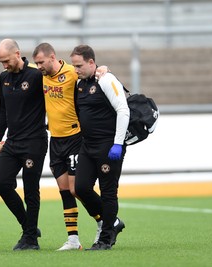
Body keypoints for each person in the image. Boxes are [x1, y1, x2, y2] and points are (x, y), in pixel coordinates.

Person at [32, 43, 110, 251]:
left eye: (41, 62)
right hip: (55, 140)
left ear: (52, 57)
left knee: (77, 189)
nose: (38, 66)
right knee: (65, 191)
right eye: (36, 62)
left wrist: (103, 68)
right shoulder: (39, 74)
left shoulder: (71, 73)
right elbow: (23, 68)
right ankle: (73, 240)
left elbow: (93, 74)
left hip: (75, 138)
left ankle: (106, 221)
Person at [70, 44, 129, 250]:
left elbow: (123, 110)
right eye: (73, 66)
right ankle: (112, 221)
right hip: (88, 146)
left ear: (91, 63)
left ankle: (105, 239)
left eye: (79, 65)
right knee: (81, 188)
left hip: (107, 146)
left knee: (108, 192)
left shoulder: (106, 80)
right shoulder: (80, 84)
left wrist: (118, 144)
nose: (76, 70)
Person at [0, 39, 48, 251]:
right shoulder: (3, 77)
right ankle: (29, 227)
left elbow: (61, 79)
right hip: (12, 143)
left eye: (6, 60)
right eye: (0, 62)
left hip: (34, 142)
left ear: (17, 54)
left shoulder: (36, 75)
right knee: (1, 184)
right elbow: (2, 112)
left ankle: (31, 240)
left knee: (30, 190)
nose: (4, 65)